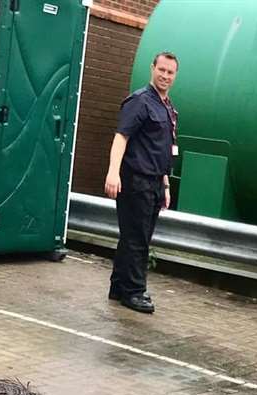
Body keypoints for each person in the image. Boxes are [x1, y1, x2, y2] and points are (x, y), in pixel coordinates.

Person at [106, 51, 179, 315]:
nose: (165, 76)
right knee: (138, 240)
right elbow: (121, 137)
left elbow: (164, 150)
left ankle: (118, 287)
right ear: (153, 69)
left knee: (135, 237)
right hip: (136, 181)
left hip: (155, 183)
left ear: (175, 76)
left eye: (170, 72)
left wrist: (166, 185)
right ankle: (134, 292)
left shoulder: (168, 107)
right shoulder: (140, 102)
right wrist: (113, 172)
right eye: (162, 70)